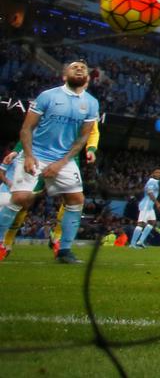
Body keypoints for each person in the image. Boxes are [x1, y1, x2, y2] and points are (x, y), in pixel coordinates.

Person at [0, 60, 99, 264]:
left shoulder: (91, 103)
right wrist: (26, 155)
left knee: (76, 200)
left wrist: (63, 162)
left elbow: (83, 137)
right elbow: (27, 129)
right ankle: (2, 243)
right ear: (64, 76)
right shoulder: (48, 96)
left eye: (83, 68)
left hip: (64, 159)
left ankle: (64, 250)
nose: (79, 68)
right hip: (35, 154)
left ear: (87, 77)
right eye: (74, 67)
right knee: (20, 198)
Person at [131, 168, 160, 249]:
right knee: (141, 223)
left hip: (150, 207)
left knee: (152, 222)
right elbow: (149, 192)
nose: (159, 174)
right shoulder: (151, 181)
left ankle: (140, 241)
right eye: (157, 172)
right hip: (146, 205)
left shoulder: (155, 182)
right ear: (153, 173)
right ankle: (132, 244)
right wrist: (157, 203)